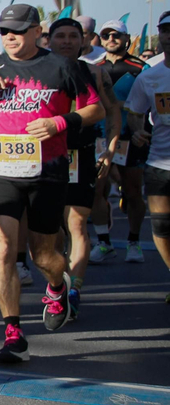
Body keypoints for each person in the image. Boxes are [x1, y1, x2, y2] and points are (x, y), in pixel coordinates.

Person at [0, 4, 102, 365]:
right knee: (2, 249)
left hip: (48, 172)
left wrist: (59, 124)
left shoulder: (62, 67)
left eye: (17, 30)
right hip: (2, 170)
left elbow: (94, 109)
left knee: (44, 255)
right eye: (3, 31)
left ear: (37, 31)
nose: (9, 37)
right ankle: (13, 332)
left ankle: (57, 286)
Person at [47, 17, 120, 317]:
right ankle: (57, 283)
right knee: (52, 230)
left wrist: (110, 150)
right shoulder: (37, 71)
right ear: (48, 40)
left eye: (72, 36)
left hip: (82, 154)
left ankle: (74, 290)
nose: (66, 41)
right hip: (46, 157)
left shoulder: (96, 73)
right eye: (60, 36)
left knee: (76, 223)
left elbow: (113, 111)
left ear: (83, 41)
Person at [91, 19, 148, 263]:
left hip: (130, 137)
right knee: (96, 190)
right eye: (106, 36)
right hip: (100, 137)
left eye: (116, 35)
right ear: (100, 40)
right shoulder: (93, 68)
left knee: (133, 191)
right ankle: (104, 243)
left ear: (126, 39)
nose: (111, 39)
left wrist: (122, 107)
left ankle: (133, 242)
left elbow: (149, 103)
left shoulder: (140, 68)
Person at [123, 12, 170, 271]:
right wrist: (138, 131)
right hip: (160, 163)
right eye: (165, 30)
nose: (169, 35)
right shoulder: (149, 76)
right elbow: (135, 114)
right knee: (162, 226)